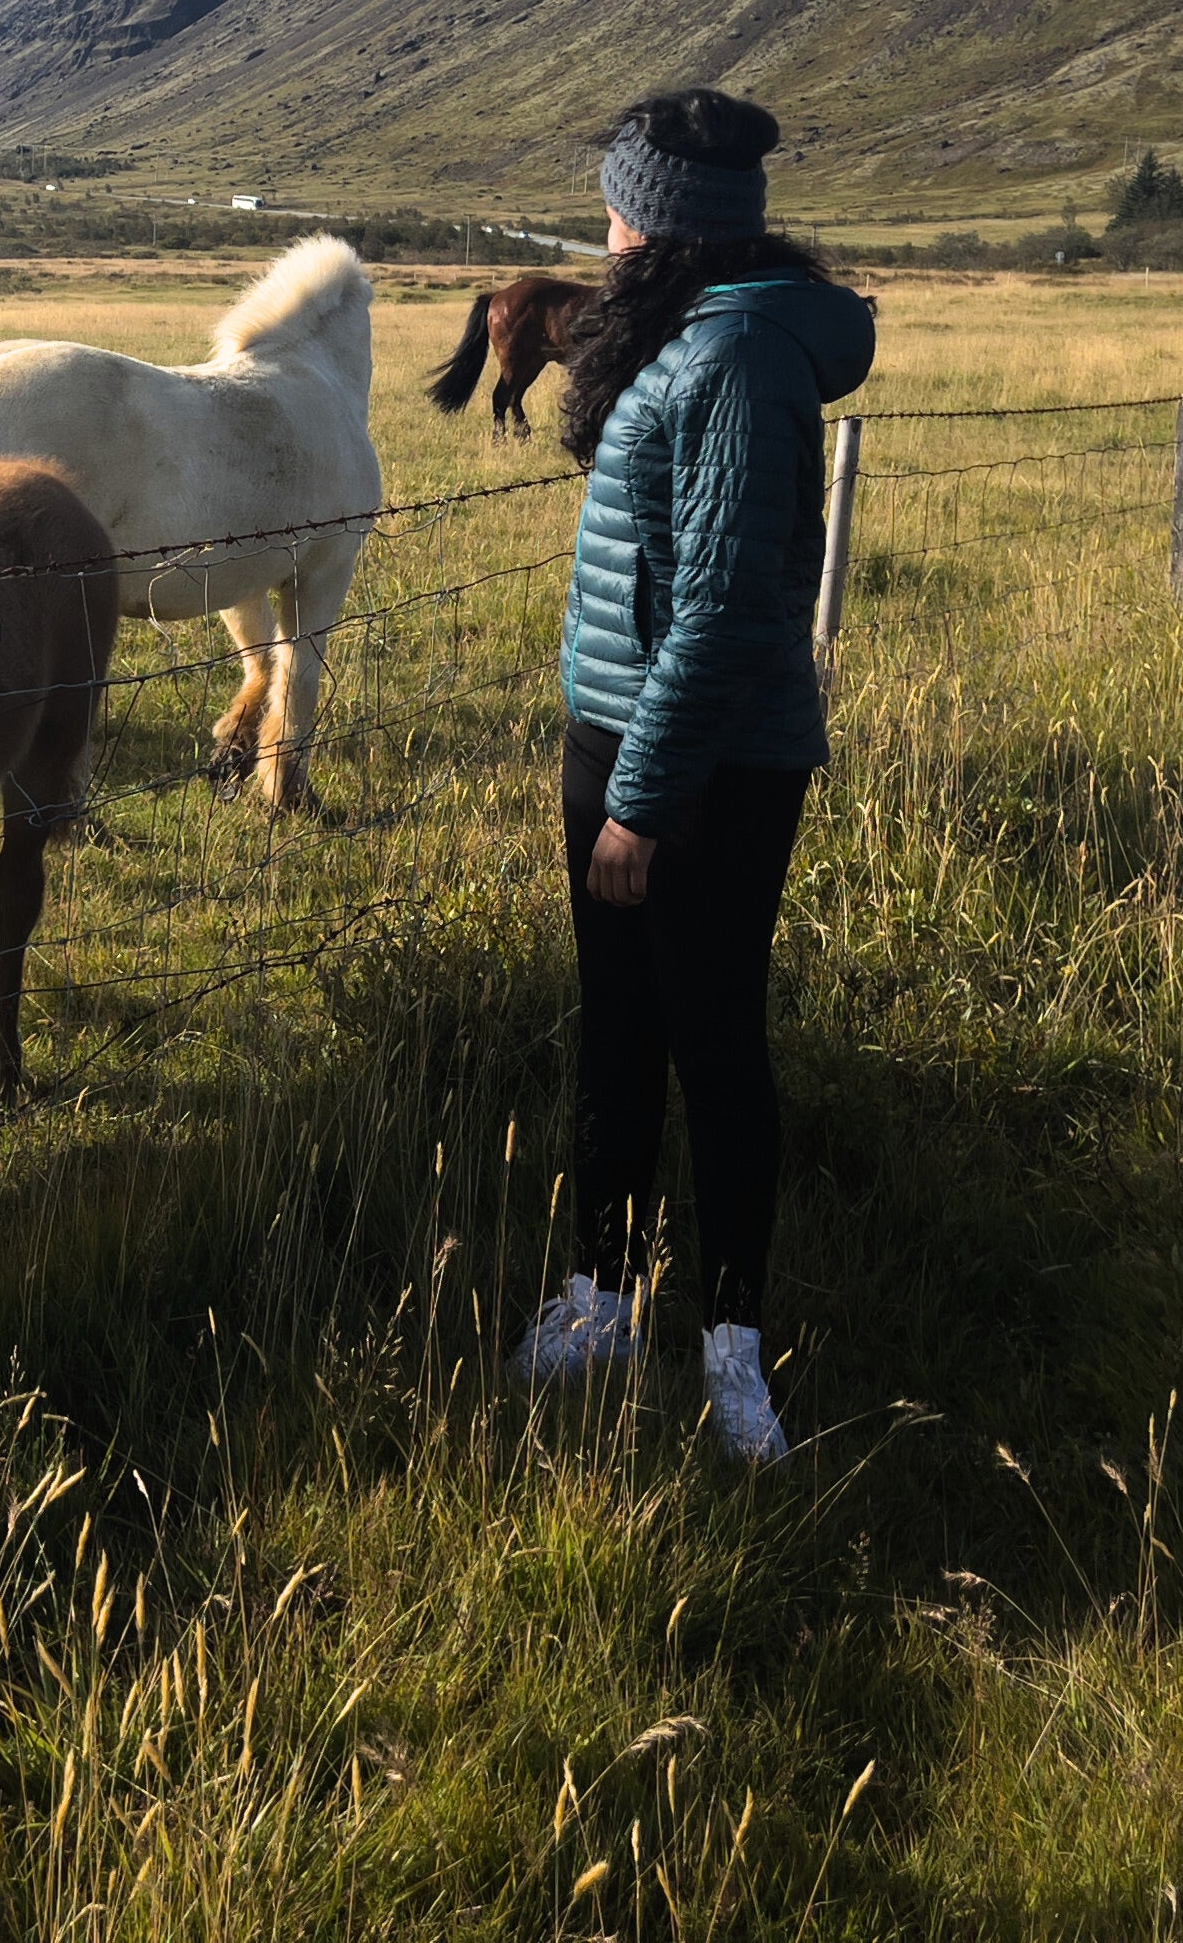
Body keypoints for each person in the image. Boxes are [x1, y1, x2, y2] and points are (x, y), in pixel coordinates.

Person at [506, 88, 873, 1464]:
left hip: (695, 757)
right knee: (616, 1024)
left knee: (712, 1041)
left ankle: (732, 1347)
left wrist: (642, 802)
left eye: (618, 201)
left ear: (660, 224)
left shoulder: (733, 363)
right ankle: (602, 1293)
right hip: (623, 727)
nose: (601, 223)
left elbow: (720, 605)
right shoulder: (693, 332)